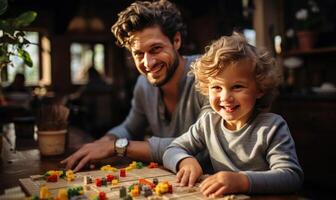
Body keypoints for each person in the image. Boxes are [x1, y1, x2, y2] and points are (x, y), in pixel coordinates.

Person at [61, 0, 210, 172]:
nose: (148, 63)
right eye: (139, 54)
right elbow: (130, 127)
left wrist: (116, 147)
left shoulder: (207, 76)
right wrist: (102, 143)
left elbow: (203, 144)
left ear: (176, 40)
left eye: (155, 49)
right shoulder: (144, 84)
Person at [163, 33, 304, 197]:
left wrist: (241, 181)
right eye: (216, 87)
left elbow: (291, 176)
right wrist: (184, 161)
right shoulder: (207, 124)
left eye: (237, 87)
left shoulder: (272, 127)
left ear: (259, 89)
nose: (225, 98)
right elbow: (172, 148)